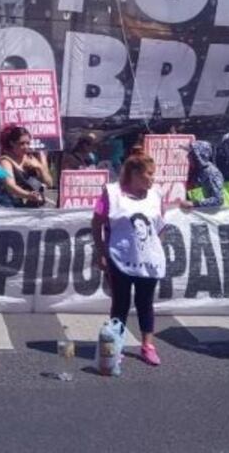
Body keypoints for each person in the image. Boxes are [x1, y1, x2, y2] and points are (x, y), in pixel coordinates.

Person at [92, 153, 166, 366]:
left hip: (148, 259)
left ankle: (147, 345)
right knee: (121, 303)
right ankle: (116, 345)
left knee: (146, 302)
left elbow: (160, 225)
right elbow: (97, 223)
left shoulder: (156, 195)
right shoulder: (111, 193)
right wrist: (101, 252)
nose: (153, 179)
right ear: (134, 173)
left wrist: (156, 248)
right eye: (149, 174)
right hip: (119, 257)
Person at [0, 126, 53, 208]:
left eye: (28, 143)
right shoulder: (5, 161)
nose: (26, 147)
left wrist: (40, 167)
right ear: (12, 143)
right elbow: (10, 186)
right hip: (14, 207)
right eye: (21, 143)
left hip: (36, 206)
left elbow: (49, 183)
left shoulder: (33, 157)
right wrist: (28, 195)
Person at [183, 141, 225, 209]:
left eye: (191, 154)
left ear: (198, 156)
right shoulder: (197, 172)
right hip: (198, 215)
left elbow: (218, 200)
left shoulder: (211, 172)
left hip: (213, 216)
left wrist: (194, 204)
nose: (187, 156)